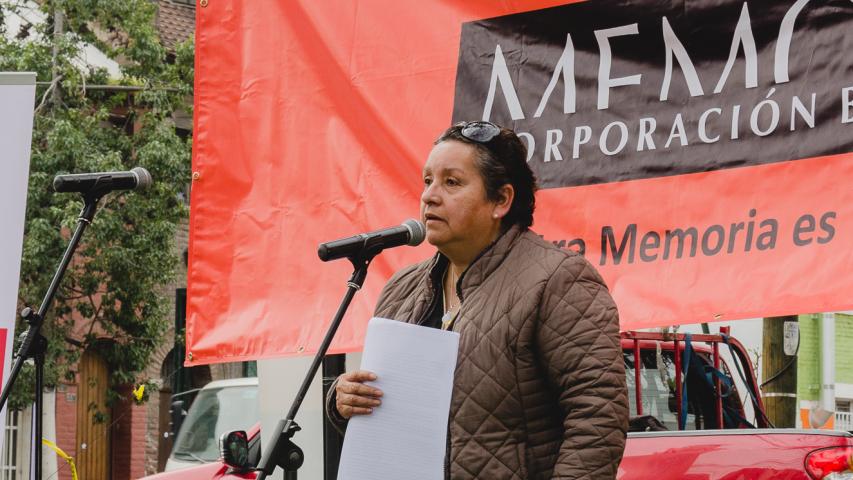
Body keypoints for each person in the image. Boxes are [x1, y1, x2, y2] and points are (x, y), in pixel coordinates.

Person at [326, 121, 628, 479]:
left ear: (501, 200)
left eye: (451, 182)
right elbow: (393, 420)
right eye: (427, 181)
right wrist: (343, 401)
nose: (429, 196)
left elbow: (597, 416)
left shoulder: (558, 280)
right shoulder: (401, 287)